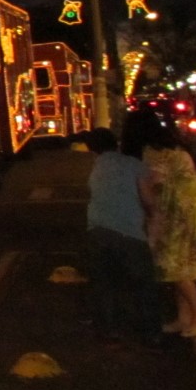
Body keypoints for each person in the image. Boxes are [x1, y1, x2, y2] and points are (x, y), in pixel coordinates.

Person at [122, 108, 196, 338]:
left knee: (173, 267)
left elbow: (149, 194)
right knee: (182, 264)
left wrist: (147, 216)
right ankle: (184, 316)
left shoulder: (150, 155)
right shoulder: (176, 148)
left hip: (175, 215)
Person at [80, 126, 164, 347]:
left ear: (92, 150)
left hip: (98, 230)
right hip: (129, 232)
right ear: (116, 143)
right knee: (144, 283)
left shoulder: (97, 168)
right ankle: (151, 333)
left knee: (105, 283)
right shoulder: (134, 165)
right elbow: (147, 199)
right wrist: (154, 216)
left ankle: (110, 331)